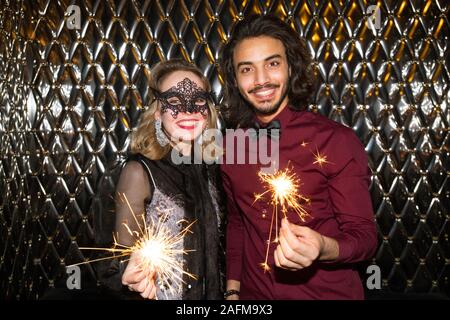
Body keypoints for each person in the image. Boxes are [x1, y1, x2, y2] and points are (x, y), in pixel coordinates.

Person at [219, 15, 378, 300]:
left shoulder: (336, 141)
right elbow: (238, 224)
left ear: (291, 67)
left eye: (272, 63)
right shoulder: (231, 147)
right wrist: (232, 290)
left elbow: (365, 238)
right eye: (246, 69)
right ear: (235, 79)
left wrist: (322, 247)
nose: (261, 80)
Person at [101, 59, 225, 300]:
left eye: (198, 100)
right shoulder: (139, 172)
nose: (188, 111)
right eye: (175, 102)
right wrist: (133, 271)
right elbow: (117, 258)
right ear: (158, 112)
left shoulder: (215, 168)